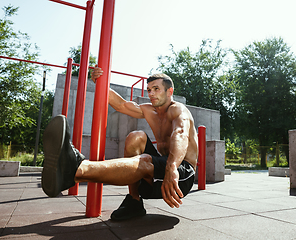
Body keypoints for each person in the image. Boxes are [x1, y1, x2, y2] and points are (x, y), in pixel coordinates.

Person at [41, 67, 198, 221]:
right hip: (160, 174)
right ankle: (134, 201)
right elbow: (121, 105)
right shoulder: (150, 110)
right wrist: (100, 83)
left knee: (145, 160)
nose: (150, 93)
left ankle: (76, 169)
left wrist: (171, 168)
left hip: (181, 175)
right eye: (149, 90)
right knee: (135, 137)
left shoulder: (178, 110)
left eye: (156, 89)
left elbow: (180, 134)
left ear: (169, 91)